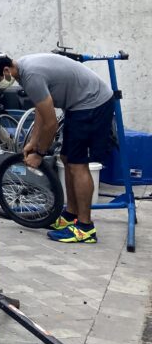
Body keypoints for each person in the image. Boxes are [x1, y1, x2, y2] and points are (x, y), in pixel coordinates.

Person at [7, 53, 114, 243]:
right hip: (78, 105)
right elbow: (42, 109)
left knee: (78, 164)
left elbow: (51, 124)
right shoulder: (23, 69)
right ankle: (71, 215)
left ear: (6, 70)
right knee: (67, 159)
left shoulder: (30, 76)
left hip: (92, 104)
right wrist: (33, 141)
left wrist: (39, 154)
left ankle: (85, 228)